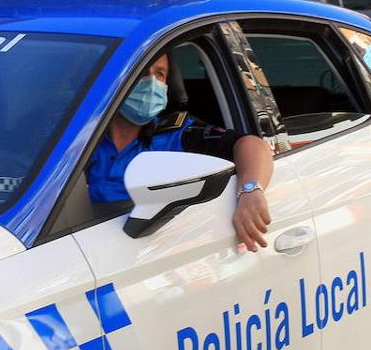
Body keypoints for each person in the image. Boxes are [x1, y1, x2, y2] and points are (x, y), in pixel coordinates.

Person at [87, 53, 275, 251]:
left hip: (148, 246)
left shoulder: (178, 134)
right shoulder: (79, 138)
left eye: (159, 74)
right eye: (142, 72)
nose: (151, 83)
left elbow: (252, 145)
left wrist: (251, 191)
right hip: (80, 244)